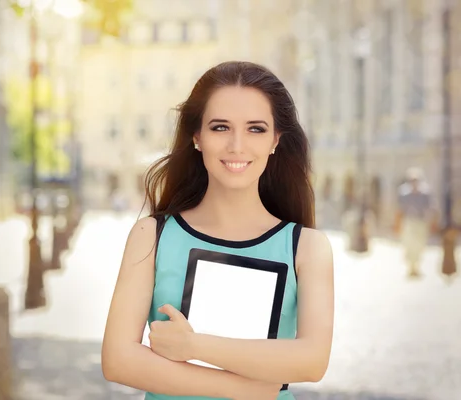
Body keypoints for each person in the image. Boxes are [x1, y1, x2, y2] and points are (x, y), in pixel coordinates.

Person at [101, 61, 334, 400]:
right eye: (220, 127)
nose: (237, 145)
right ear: (197, 137)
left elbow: (312, 361)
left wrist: (194, 345)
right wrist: (245, 388)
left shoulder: (307, 248)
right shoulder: (151, 236)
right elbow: (118, 360)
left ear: (275, 140)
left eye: (255, 129)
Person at [395, 167, 435, 278]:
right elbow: (399, 210)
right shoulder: (403, 193)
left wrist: (431, 223)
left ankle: (416, 266)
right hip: (408, 222)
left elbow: (430, 209)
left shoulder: (425, 193)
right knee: (409, 244)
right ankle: (411, 266)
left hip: (421, 222)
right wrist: (397, 224)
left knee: (419, 244)